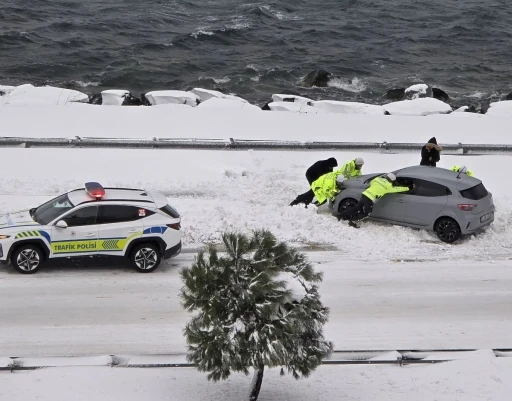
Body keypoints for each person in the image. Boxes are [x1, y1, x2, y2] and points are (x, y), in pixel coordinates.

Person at [338, 173, 410, 228]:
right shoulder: (388, 186)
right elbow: (397, 189)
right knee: (367, 213)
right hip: (369, 199)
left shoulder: (377, 179)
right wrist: (408, 188)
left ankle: (340, 215)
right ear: (391, 180)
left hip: (364, 194)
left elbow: (371, 182)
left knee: (357, 207)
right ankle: (352, 221)